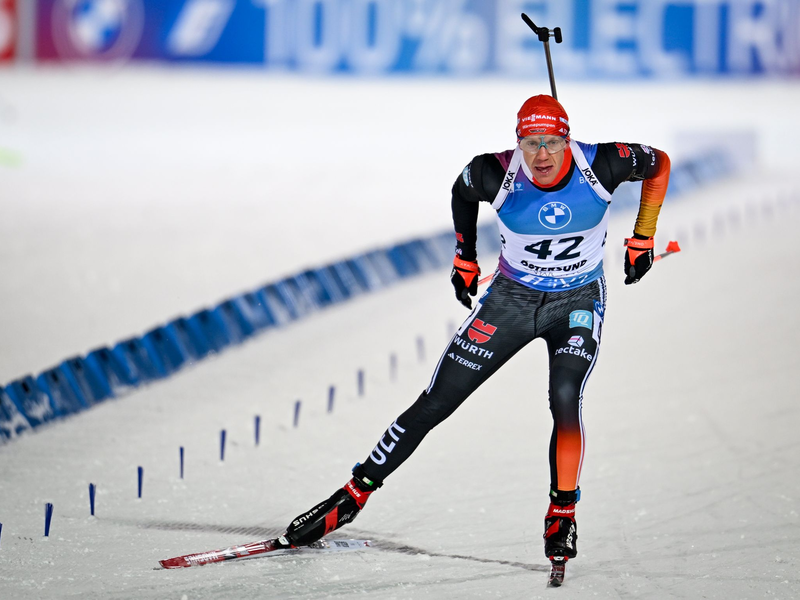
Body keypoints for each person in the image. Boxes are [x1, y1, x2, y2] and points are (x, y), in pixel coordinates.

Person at [276, 94, 671, 565]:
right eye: (530, 143)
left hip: (577, 300)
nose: (541, 155)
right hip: (510, 300)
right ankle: (352, 495)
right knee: (437, 401)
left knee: (565, 397)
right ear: (518, 142)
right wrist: (465, 256)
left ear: (567, 139)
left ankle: (562, 513)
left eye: (550, 142)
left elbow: (660, 164)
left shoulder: (604, 162)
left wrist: (644, 235)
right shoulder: (492, 172)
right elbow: (461, 193)